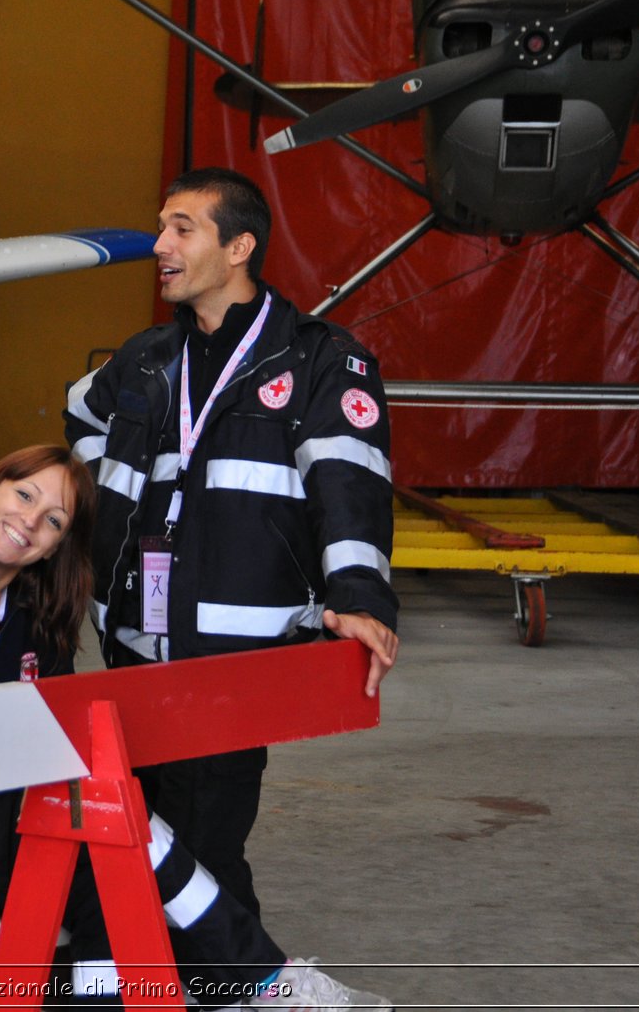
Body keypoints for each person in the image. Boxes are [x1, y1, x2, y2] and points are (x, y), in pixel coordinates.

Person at [0, 445, 390, 1010]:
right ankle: (267, 982)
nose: (30, 521)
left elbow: (50, 739)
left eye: (54, 519)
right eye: (24, 495)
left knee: (105, 862)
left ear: (59, 544)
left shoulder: (31, 612)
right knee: (109, 821)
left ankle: (257, 983)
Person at [64, 167, 399, 918]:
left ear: (240, 245)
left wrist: (358, 596)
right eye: (162, 227)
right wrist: (98, 519)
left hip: (234, 662)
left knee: (203, 854)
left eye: (182, 228)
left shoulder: (319, 360)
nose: (160, 245)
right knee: (132, 846)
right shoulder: (147, 356)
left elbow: (352, 488)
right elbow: (79, 417)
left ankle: (246, 988)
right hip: (133, 649)